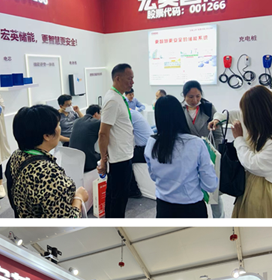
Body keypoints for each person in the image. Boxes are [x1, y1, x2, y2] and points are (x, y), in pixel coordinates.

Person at [209, 85, 272, 218]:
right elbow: (231, 115)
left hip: (261, 190)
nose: (244, 116)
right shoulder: (260, 122)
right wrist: (217, 119)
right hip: (246, 182)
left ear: (258, 113)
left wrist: (239, 139)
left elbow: (254, 165)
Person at [7, 105, 88, 218]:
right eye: (58, 125)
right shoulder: (48, 173)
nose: (59, 129)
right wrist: (79, 199)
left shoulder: (16, 155)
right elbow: (66, 222)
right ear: (47, 136)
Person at [145, 95, 217, 218]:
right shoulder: (195, 143)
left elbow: (153, 176)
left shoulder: (151, 143)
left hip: (163, 207)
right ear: (180, 114)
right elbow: (210, 185)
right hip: (192, 208)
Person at [181, 80, 224, 218]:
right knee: (191, 189)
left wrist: (216, 153)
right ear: (184, 96)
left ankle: (219, 220)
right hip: (187, 156)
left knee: (214, 191)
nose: (195, 100)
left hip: (208, 154)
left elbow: (218, 134)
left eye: (198, 96)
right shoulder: (179, 109)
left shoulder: (208, 108)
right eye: (190, 97)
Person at [98, 63, 136, 218]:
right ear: (118, 78)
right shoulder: (113, 100)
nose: (132, 82)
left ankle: (112, 223)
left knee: (116, 196)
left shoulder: (119, 97)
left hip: (124, 154)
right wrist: (103, 160)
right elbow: (103, 133)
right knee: (118, 199)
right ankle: (116, 225)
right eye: (129, 79)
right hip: (119, 158)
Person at [69, 105, 102, 172]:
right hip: (88, 162)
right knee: (105, 156)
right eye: (100, 114)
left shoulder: (76, 121)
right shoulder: (97, 123)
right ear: (96, 114)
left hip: (73, 160)